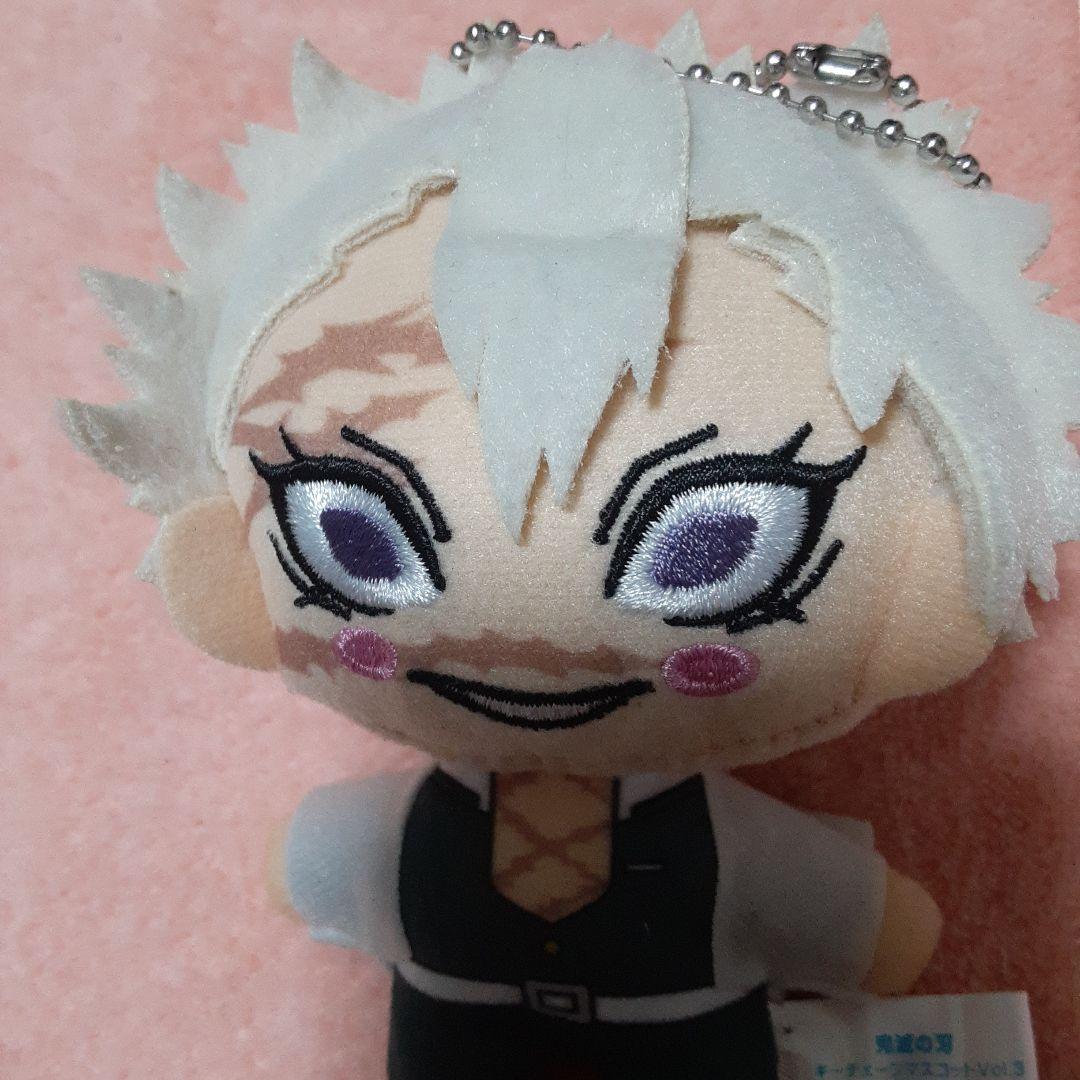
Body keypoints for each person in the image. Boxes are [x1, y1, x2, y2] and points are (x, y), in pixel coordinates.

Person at [63, 17, 1080, 1080]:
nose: (525, 643)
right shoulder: (419, 837)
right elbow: (878, 936)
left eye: (711, 544)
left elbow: (869, 931)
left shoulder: (726, 849)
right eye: (355, 535)